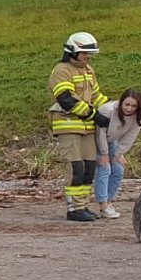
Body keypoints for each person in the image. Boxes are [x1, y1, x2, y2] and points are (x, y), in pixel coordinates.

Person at [49, 32, 109, 223]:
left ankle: (82, 205)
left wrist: (112, 110)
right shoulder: (62, 71)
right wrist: (93, 114)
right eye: (84, 53)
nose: (87, 57)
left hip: (87, 128)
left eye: (89, 54)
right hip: (68, 126)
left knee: (89, 168)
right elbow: (66, 100)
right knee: (76, 168)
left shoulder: (88, 70)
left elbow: (96, 96)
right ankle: (73, 208)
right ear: (72, 51)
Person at [94, 87, 141, 219]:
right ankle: (103, 205)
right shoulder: (108, 111)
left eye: (133, 106)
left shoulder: (137, 118)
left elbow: (128, 139)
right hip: (95, 137)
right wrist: (105, 154)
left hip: (112, 140)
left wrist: (118, 154)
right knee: (104, 167)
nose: (129, 109)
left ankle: (109, 201)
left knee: (118, 169)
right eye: (127, 104)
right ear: (121, 102)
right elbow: (100, 133)